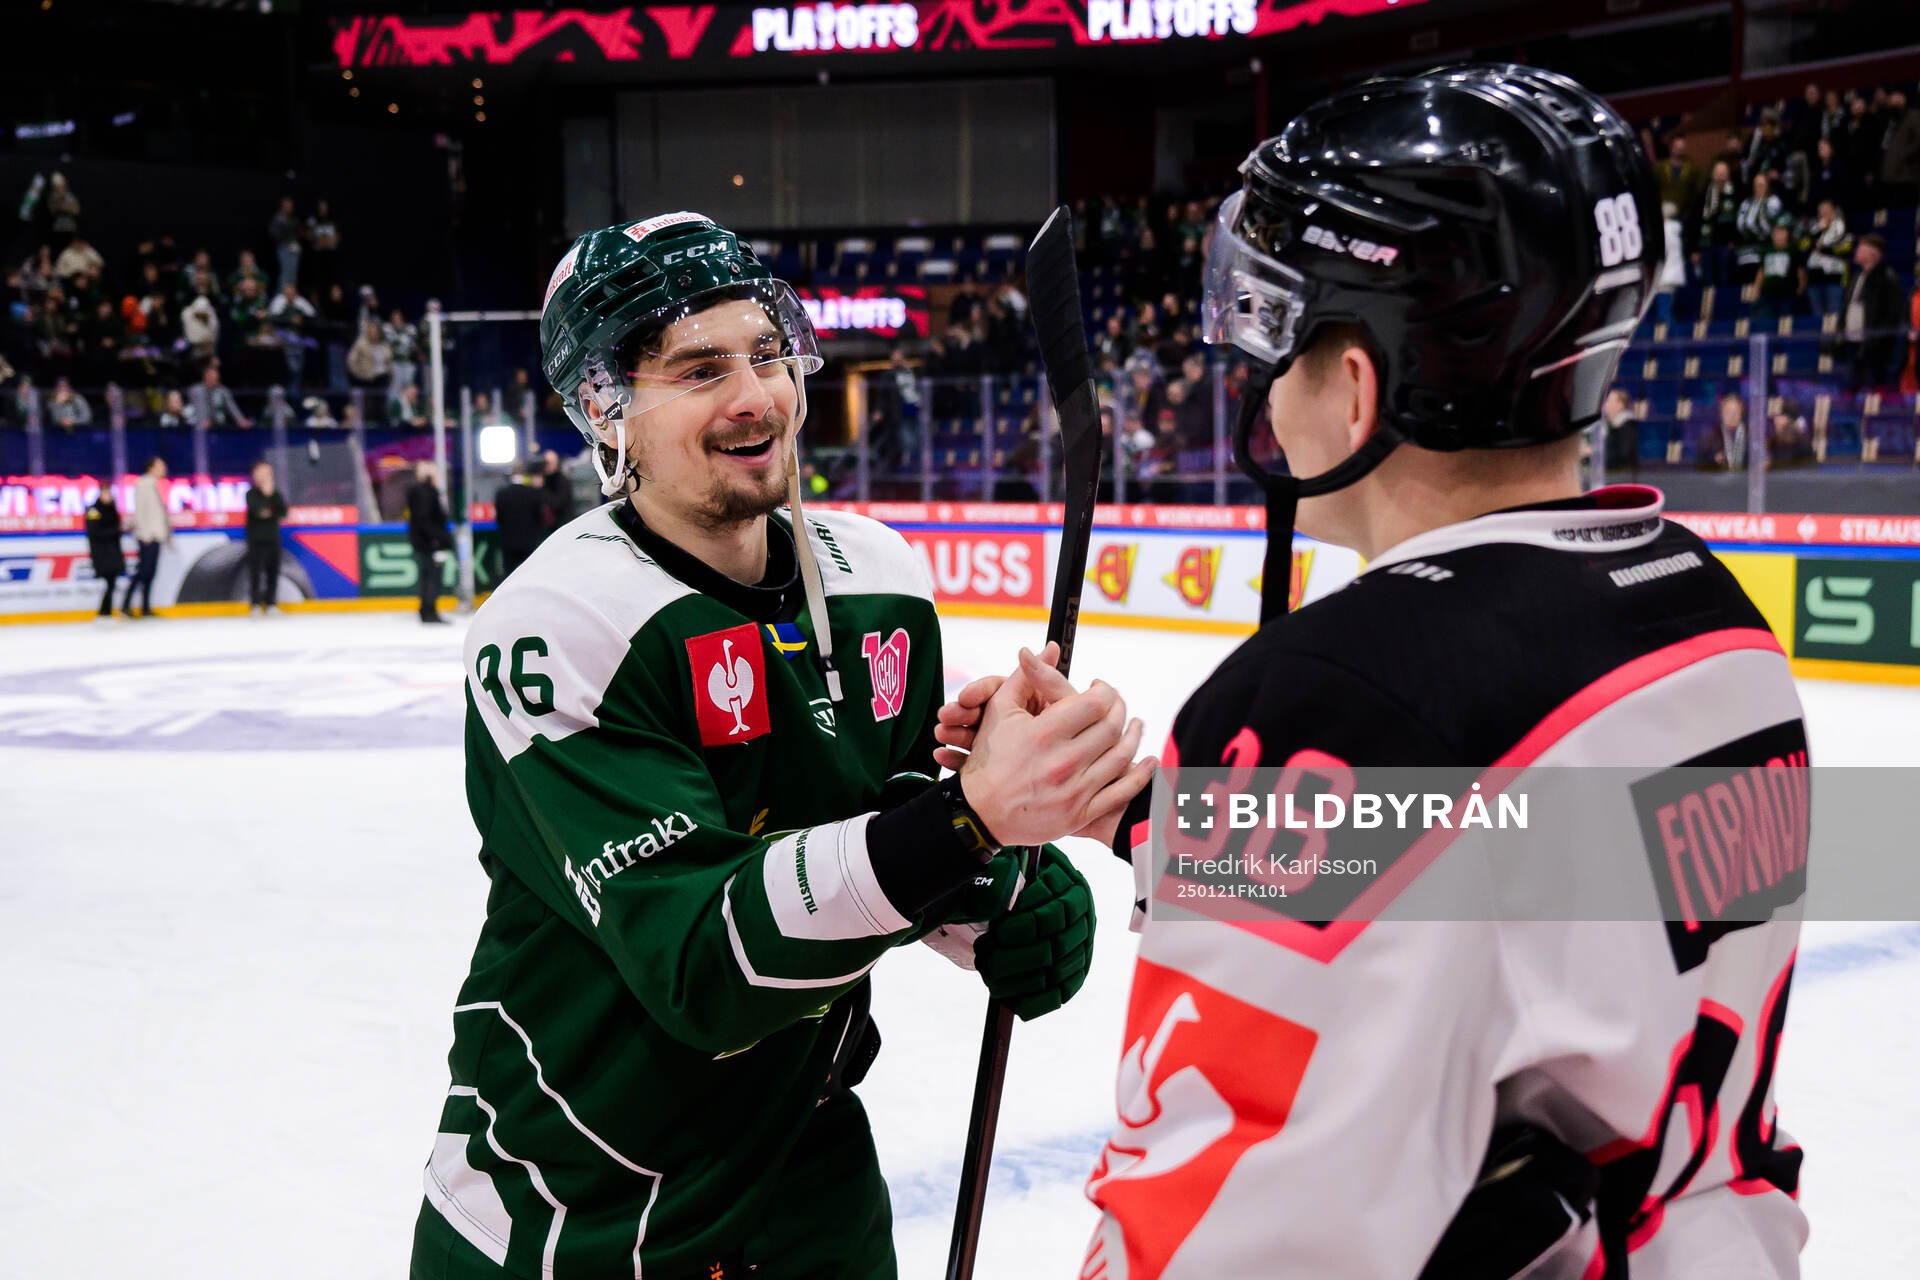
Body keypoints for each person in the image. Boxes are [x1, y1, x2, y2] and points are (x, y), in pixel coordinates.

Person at [1072, 65, 1810, 1279]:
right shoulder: (1713, 623)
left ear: (1359, 382)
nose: (1265, 380)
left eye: (1284, 339)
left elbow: (1236, 1233)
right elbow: (1518, 872)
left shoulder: (1342, 696)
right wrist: (1150, 815)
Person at [408, 213, 1151, 1279]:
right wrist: (977, 821)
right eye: (700, 367)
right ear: (601, 408)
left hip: (808, 1175)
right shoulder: (562, 627)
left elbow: (884, 835)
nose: (756, 396)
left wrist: (1007, 884)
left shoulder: (876, 579)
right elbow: (706, 963)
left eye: (766, 353)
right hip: (575, 1199)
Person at [1841, 233, 1904, 391]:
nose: (1857, 252)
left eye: (1861, 249)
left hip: (1874, 342)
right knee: (1852, 381)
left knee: (1875, 382)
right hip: (1852, 338)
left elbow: (1892, 312)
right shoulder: (1857, 276)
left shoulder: (1887, 278)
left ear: (1873, 254)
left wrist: (1878, 337)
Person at [122, 456, 171, 618]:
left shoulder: (154, 485)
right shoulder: (143, 484)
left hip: (155, 535)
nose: (164, 468)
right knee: (143, 571)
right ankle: (126, 604)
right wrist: (144, 533)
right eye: (160, 465)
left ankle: (145, 607)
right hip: (147, 536)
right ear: (151, 467)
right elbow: (140, 511)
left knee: (150, 572)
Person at [403, 460, 451, 624]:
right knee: (432, 576)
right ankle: (429, 611)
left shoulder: (417, 492)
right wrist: (437, 538)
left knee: (427, 576)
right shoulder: (426, 493)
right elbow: (426, 520)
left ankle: (426, 610)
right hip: (430, 543)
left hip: (423, 541)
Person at [489, 460, 549, 580]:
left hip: (509, 543)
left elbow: (499, 518)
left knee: (510, 578)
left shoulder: (501, 494)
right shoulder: (532, 493)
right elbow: (540, 518)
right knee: (528, 576)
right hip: (529, 543)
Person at [244, 460, 289, 616]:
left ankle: (271, 604)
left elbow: (283, 512)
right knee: (255, 574)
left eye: (268, 472)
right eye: (262, 472)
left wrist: (270, 498)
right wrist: (267, 500)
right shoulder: (251, 494)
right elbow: (259, 511)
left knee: (272, 573)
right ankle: (255, 604)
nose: (265, 476)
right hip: (256, 540)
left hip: (272, 539)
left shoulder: (276, 494)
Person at [84, 482, 125, 620]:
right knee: (109, 582)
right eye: (105, 493)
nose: (108, 496)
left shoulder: (112, 510)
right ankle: (104, 611)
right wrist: (116, 531)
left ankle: (106, 611)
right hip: (102, 553)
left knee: (112, 582)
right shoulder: (94, 511)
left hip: (113, 552)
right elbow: (94, 532)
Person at [539, 446, 573, 527]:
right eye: (547, 463)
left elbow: (558, 504)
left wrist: (541, 488)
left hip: (560, 524)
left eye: (551, 463)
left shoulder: (562, 480)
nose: (548, 466)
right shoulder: (543, 478)